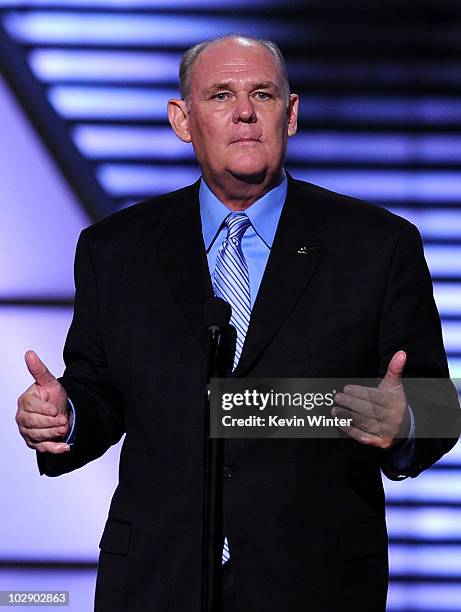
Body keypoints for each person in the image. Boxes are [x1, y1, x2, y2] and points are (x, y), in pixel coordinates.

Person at [16, 34, 460, 611]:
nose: (245, 112)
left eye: (263, 95)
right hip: (157, 581)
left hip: (317, 583)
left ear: (291, 114)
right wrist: (66, 415)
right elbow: (99, 386)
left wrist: (406, 421)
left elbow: (436, 404)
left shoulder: (377, 245)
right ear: (183, 120)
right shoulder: (115, 250)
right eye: (221, 95)